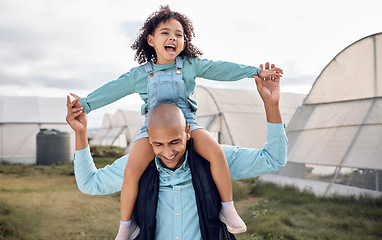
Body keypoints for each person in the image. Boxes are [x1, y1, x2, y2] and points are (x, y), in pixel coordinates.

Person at [73, 5, 283, 239]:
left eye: (179, 34)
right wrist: (85, 104)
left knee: (216, 152)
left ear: (185, 42)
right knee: (132, 169)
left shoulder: (190, 66)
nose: (173, 37)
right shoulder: (140, 75)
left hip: (190, 121)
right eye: (165, 32)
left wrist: (254, 72)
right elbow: (114, 89)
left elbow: (219, 69)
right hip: (149, 129)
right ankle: (126, 224)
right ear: (151, 40)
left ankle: (227, 207)